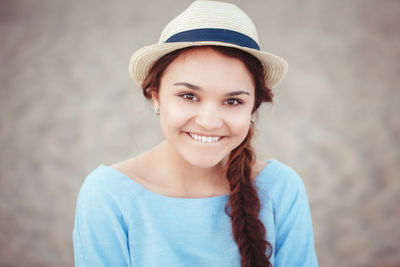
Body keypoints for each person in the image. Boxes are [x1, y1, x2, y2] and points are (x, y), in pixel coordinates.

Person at [72, 1, 318, 266]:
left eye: (233, 101)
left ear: (253, 107)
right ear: (156, 96)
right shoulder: (108, 197)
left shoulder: (281, 189)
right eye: (189, 96)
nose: (209, 122)